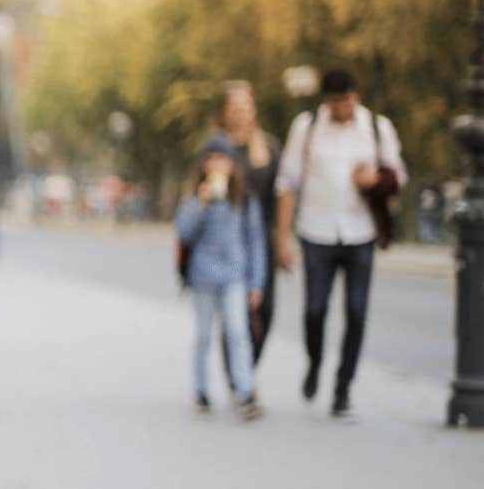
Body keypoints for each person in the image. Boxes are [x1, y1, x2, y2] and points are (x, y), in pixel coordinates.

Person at [273, 68, 408, 418]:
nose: (340, 107)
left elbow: (398, 176)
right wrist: (282, 238)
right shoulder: (306, 128)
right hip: (316, 232)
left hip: (360, 232)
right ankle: (315, 362)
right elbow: (288, 182)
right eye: (333, 102)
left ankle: (343, 389)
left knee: (357, 312)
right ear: (326, 101)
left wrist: (374, 179)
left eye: (345, 100)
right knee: (314, 310)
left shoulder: (377, 127)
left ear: (355, 97)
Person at [175, 134, 267, 420]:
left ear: (232, 164)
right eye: (212, 158)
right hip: (202, 276)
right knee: (203, 336)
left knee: (237, 332)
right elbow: (184, 232)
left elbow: (255, 242)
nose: (218, 164)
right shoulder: (194, 196)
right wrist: (200, 204)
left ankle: (244, 391)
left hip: (235, 276)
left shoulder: (244, 198)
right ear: (204, 164)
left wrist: (257, 282)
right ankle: (201, 389)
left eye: (223, 159)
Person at [217, 81, 281, 363]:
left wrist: (282, 239)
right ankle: (239, 380)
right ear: (225, 112)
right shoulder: (218, 147)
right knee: (233, 311)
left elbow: (281, 196)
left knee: (265, 309)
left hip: (262, 239)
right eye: (236, 108)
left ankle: (248, 367)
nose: (242, 113)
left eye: (247, 107)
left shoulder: (268, 147)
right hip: (227, 239)